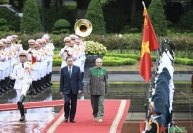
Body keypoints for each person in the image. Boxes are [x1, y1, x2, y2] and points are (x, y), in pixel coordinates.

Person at [10, 50, 34, 121]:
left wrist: (30, 81)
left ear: (26, 57)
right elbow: (13, 75)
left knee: (23, 93)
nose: (22, 58)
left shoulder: (29, 65)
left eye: (24, 56)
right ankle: (22, 115)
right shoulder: (16, 66)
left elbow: (32, 75)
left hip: (26, 83)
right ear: (19, 57)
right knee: (20, 99)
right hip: (18, 83)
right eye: (21, 56)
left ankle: (20, 102)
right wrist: (13, 76)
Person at [60, 56, 82, 123]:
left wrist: (80, 88)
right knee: (66, 102)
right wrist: (61, 90)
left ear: (73, 61)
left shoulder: (77, 69)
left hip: (74, 88)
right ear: (66, 62)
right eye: (68, 61)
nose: (70, 62)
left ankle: (72, 117)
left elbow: (79, 80)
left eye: (71, 61)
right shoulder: (63, 69)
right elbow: (62, 80)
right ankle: (66, 116)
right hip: (66, 89)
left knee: (73, 103)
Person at [87, 58, 108, 123]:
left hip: (101, 90)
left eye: (100, 62)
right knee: (94, 104)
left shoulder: (104, 71)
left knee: (101, 103)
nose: (99, 63)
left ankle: (100, 116)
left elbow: (106, 81)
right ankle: (95, 115)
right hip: (93, 90)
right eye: (98, 62)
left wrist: (106, 90)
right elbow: (88, 81)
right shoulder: (91, 70)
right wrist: (88, 89)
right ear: (95, 63)